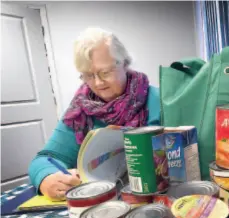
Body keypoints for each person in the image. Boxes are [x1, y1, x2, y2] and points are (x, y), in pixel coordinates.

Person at [28, 27, 160, 201]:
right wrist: (47, 177)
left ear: (125, 63)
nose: (98, 83)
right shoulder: (79, 110)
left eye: (105, 72)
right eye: (88, 75)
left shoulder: (159, 100)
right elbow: (45, 158)